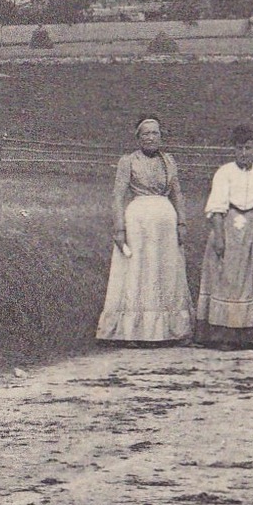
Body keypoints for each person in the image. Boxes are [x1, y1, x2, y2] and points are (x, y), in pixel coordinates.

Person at [96, 117, 193, 345]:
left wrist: (182, 223)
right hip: (139, 222)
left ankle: (171, 331)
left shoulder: (168, 161)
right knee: (138, 270)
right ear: (138, 138)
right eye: (146, 134)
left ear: (161, 136)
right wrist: (119, 229)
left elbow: (177, 194)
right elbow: (118, 196)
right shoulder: (128, 161)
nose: (150, 138)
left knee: (166, 272)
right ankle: (134, 332)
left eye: (155, 133)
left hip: (166, 225)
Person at [195, 125, 253, 350]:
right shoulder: (225, 172)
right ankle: (225, 335)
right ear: (234, 150)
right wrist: (219, 238)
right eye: (240, 148)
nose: (244, 153)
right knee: (229, 279)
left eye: (249, 148)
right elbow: (216, 209)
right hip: (230, 226)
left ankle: (251, 335)